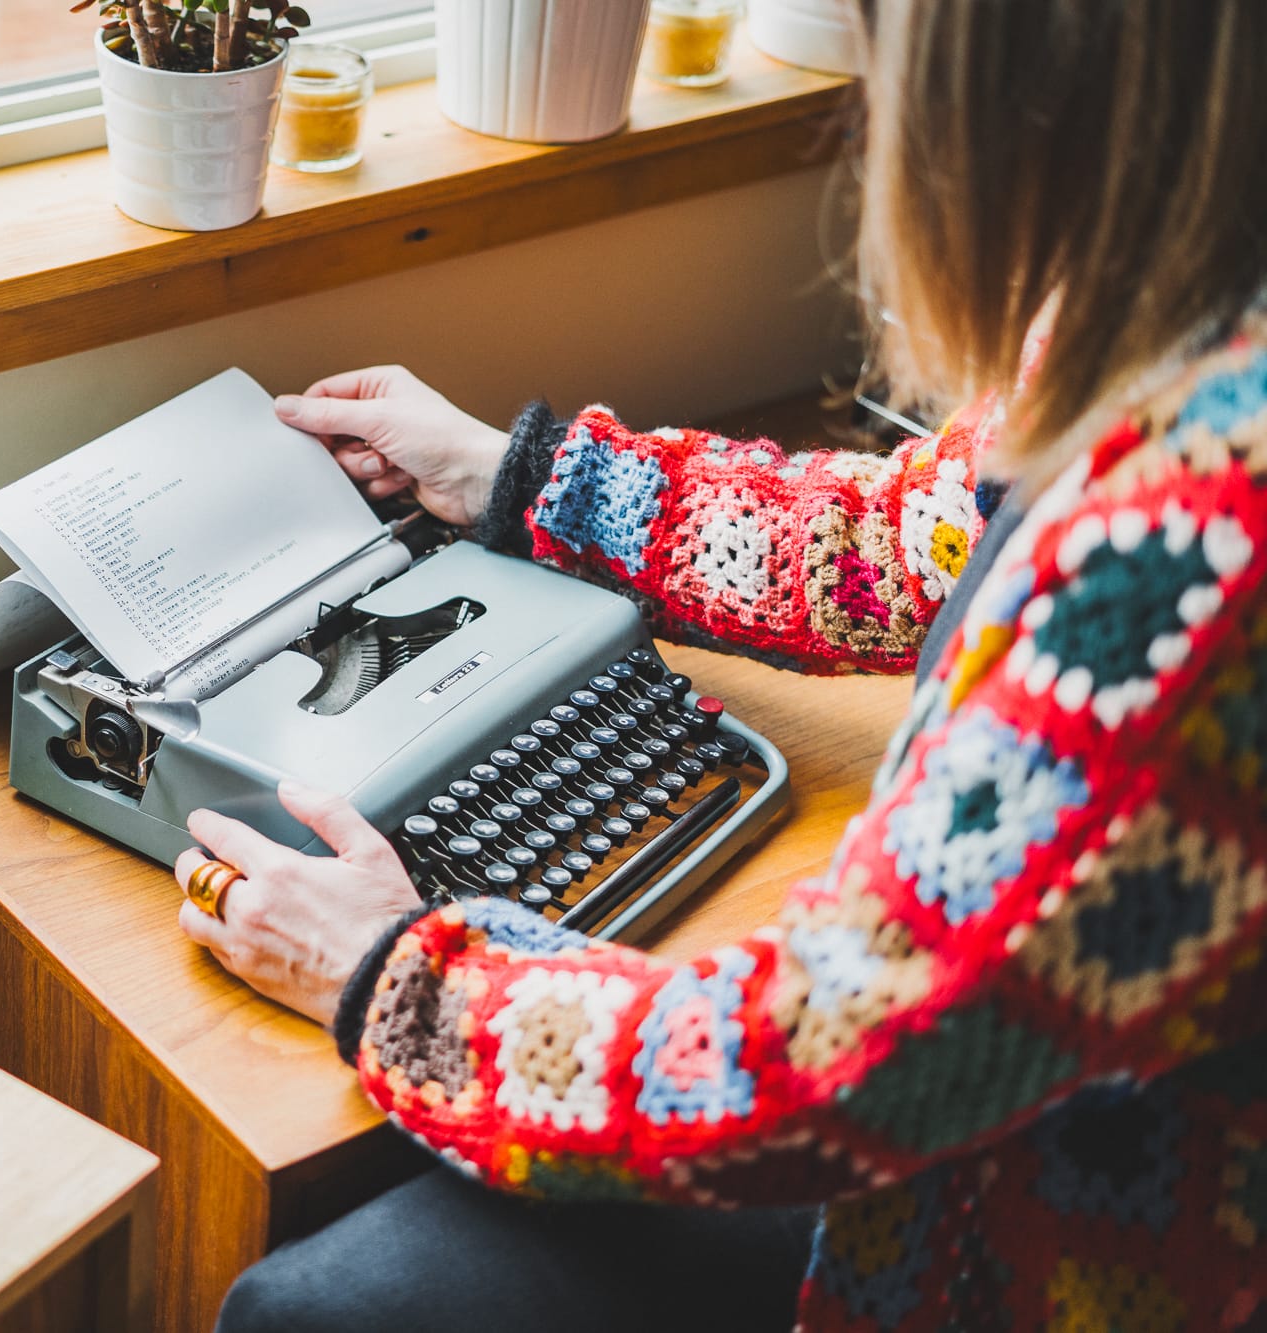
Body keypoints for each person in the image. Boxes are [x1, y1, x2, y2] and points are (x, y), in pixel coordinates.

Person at [170, 1, 1267, 1329]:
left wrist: (392, 973)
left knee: (312, 1309)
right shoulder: (1170, 306)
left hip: (1043, 1253)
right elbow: (903, 541)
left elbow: (811, 1066)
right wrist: (520, 478)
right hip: (987, 1136)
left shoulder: (1212, 537)